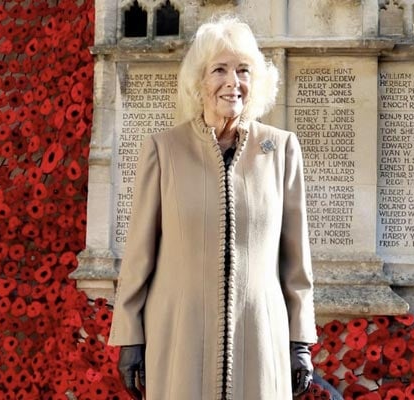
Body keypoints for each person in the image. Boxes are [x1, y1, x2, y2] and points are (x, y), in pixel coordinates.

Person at [108, 16, 317, 399]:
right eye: (219, 69)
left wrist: (299, 341)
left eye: (243, 70)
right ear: (199, 82)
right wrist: (130, 338)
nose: (232, 82)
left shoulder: (281, 150)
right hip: (179, 337)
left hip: (260, 338)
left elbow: (295, 260)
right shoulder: (163, 149)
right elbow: (139, 254)